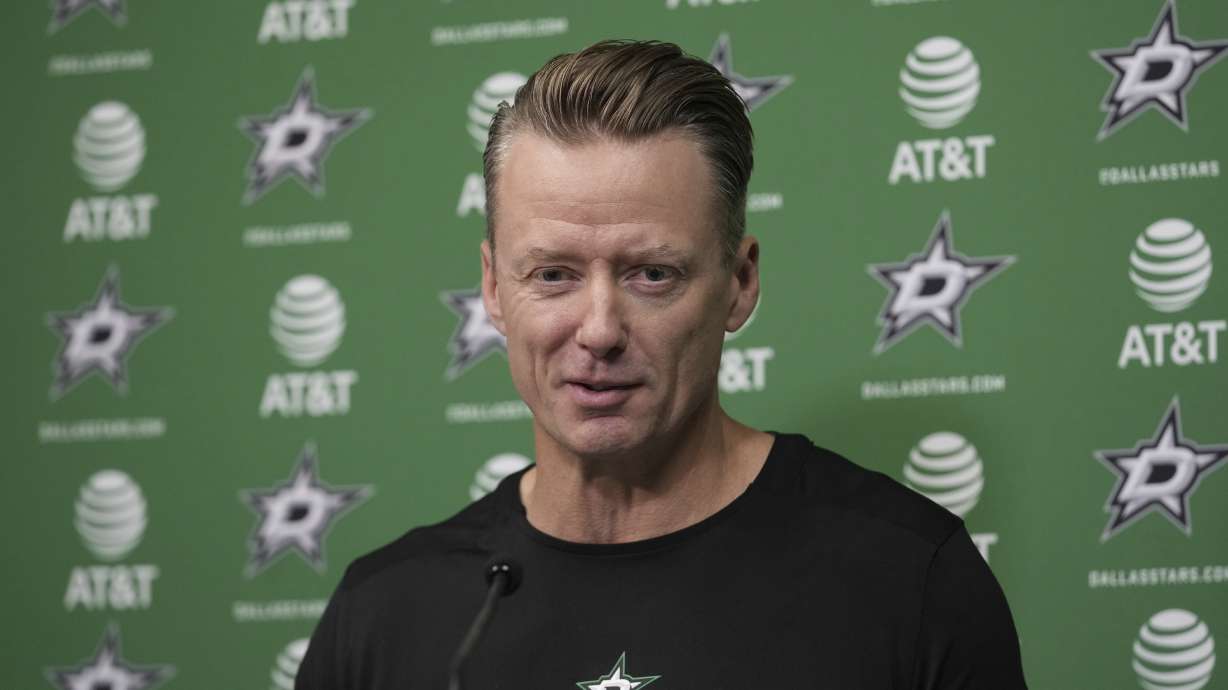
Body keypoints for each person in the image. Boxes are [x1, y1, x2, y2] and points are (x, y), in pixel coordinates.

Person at [296, 39, 1027, 689]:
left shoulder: (909, 581)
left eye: (652, 274)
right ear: (493, 287)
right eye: (552, 274)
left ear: (739, 284)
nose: (600, 329)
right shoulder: (385, 617)